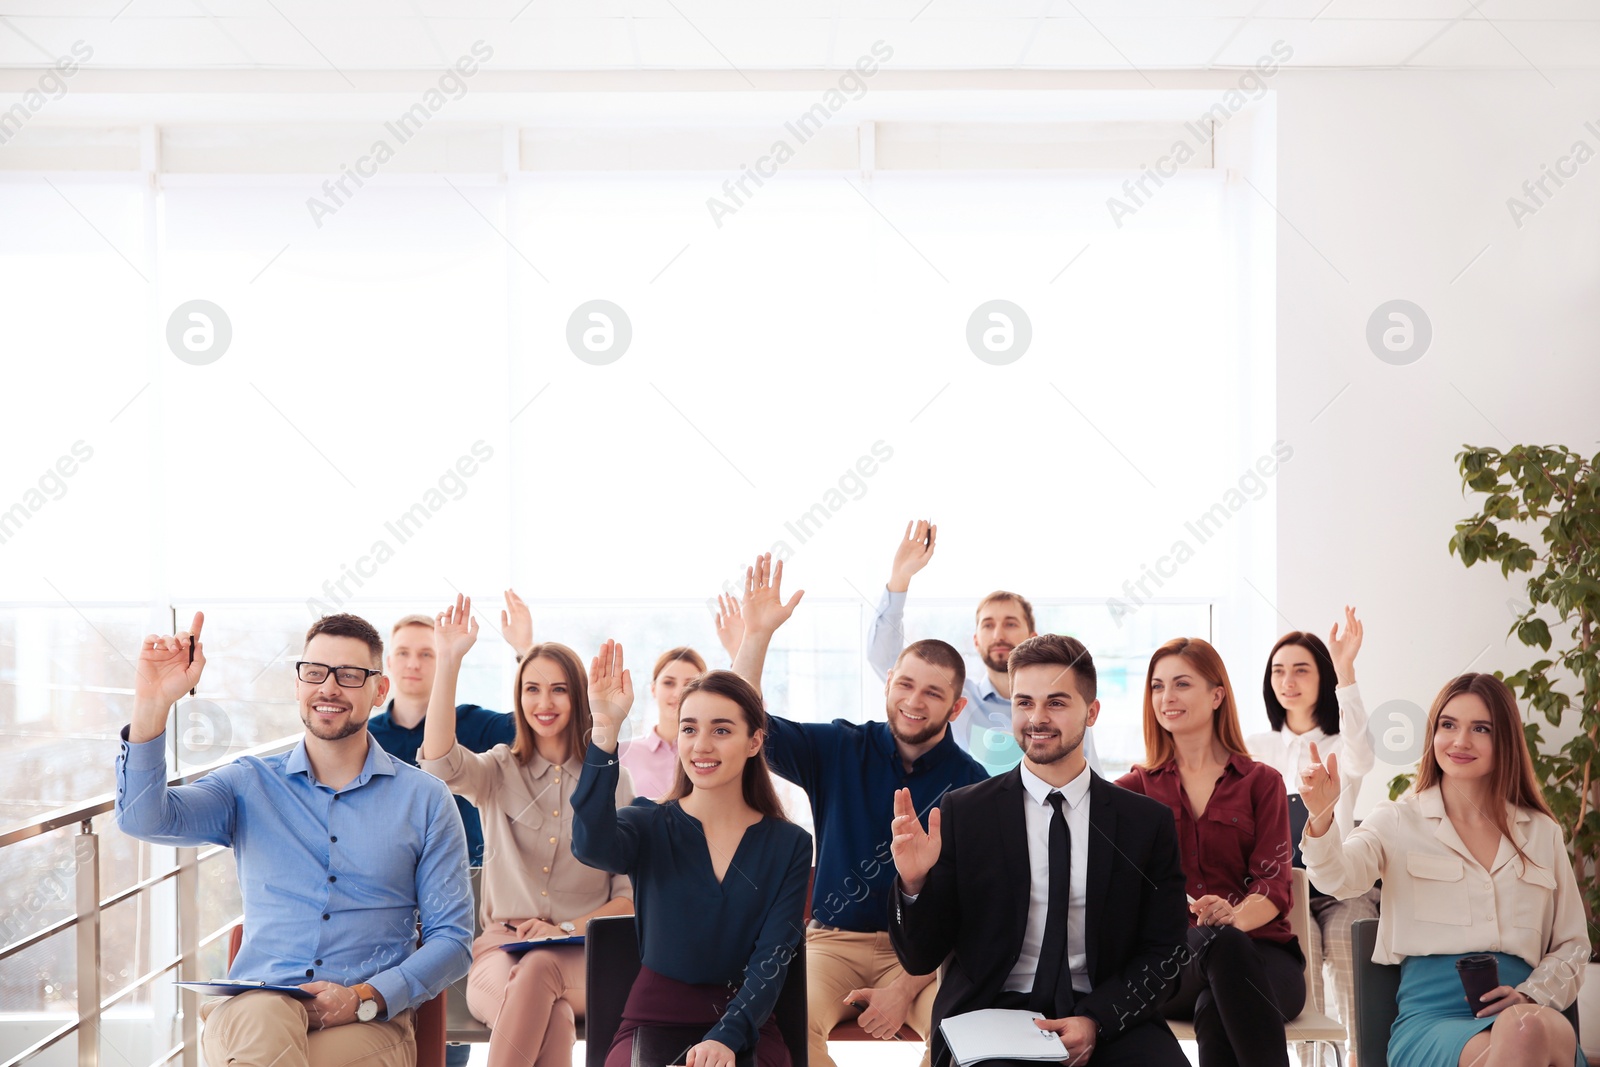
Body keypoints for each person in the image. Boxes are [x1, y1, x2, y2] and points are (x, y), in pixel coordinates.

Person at [115, 611, 472, 1067]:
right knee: (264, 1012)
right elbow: (142, 819)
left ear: (380, 690)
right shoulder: (248, 783)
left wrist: (364, 997)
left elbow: (453, 941)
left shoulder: (425, 799)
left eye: (349, 675)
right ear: (299, 683)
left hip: (364, 1021)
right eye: (315, 672)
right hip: (253, 1006)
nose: (329, 687)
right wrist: (152, 704)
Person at [727, 553, 988, 1067]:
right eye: (907, 684)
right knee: (781, 1023)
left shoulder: (974, 784)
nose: (915, 700)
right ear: (889, 680)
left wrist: (905, 987)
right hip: (831, 945)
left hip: (924, 956)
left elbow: (973, 911)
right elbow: (740, 721)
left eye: (934, 693)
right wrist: (755, 637)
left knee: (961, 1036)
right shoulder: (838, 747)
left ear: (956, 708)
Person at [888, 633, 1190, 1067]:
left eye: (1057, 703)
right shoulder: (963, 812)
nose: (1037, 718)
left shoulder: (1146, 822)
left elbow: (1166, 954)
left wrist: (1096, 1021)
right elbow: (921, 956)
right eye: (1024, 702)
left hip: (1109, 1012)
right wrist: (914, 883)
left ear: (1092, 713)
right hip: (993, 1012)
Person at [1301, 673, 1589, 1067]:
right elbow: (1335, 878)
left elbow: (1573, 945)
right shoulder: (1398, 820)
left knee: (1523, 1029)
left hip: (1531, 1009)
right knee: (1520, 1039)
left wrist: (1531, 995)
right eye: (1448, 725)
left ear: (1504, 739)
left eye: (1480, 728)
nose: (1460, 741)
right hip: (1432, 1022)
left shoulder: (1542, 833)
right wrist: (1321, 814)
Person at [417, 595, 635, 1067]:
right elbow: (436, 762)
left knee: (543, 977)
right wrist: (449, 660)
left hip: (584, 955)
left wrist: (563, 930)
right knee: (550, 1016)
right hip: (500, 950)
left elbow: (628, 897)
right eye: (531, 689)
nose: (543, 702)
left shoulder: (610, 782)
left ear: (578, 696)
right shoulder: (498, 769)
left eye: (558, 689)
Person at [573, 641, 812, 1067]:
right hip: (652, 1018)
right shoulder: (647, 824)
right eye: (689, 728)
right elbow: (590, 845)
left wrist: (727, 1036)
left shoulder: (789, 844)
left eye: (721, 730)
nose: (701, 745)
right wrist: (605, 734)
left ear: (755, 741)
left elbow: (773, 958)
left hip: (747, 1022)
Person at [1116, 636, 1305, 1067]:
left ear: (1217, 694)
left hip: (1265, 957)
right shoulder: (1134, 790)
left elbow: (1274, 885)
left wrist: (1233, 918)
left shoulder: (1262, 782)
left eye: (1181, 684)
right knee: (1217, 959)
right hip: (1170, 968)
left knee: (1216, 1006)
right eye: (1157, 686)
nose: (1167, 697)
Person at [1246, 608, 1378, 1067]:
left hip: (1341, 886)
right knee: (1306, 963)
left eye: (1301, 669)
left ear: (1322, 677)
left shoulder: (1345, 743)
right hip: (1287, 888)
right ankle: (1313, 1063)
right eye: (1278, 671)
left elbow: (1362, 757)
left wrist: (1347, 670)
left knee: (1345, 946)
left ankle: (1362, 1056)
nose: (1289, 680)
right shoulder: (1254, 747)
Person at [866, 519, 1100, 775]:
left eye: (1010, 624)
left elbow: (1093, 783)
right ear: (976, 640)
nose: (999, 634)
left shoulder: (1062, 709)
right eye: (988, 625)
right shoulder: (956, 698)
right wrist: (901, 577)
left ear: (1032, 637)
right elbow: (884, 657)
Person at [369, 599, 529, 866]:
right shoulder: (365, 736)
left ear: (442, 656)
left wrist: (525, 650)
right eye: (403, 653)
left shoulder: (472, 723)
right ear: (389, 662)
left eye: (426, 654)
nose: (413, 664)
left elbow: (537, 725)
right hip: (387, 877)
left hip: (465, 876)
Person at [619, 646, 708, 800]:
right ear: (653, 689)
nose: (679, 693)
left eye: (690, 684)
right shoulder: (621, 752)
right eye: (668, 683)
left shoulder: (711, 752)